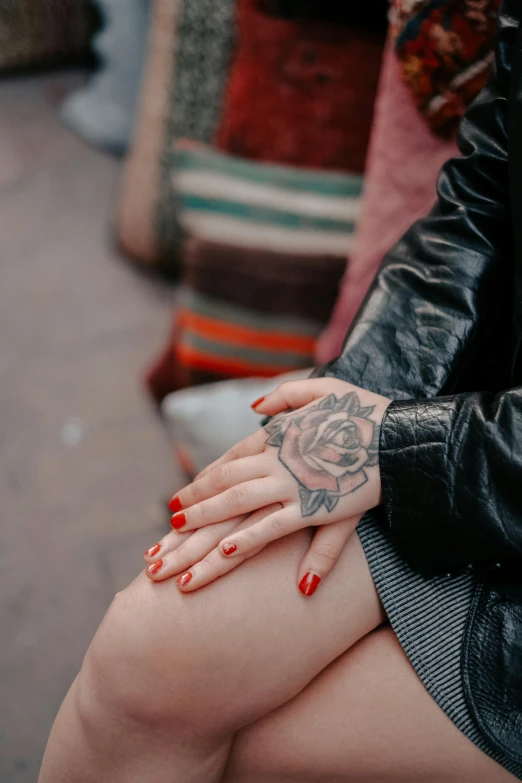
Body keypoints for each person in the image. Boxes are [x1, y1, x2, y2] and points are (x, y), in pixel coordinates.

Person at [39, 2, 522, 781]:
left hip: (478, 460)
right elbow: (483, 196)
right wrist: (351, 413)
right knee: (146, 658)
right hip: (473, 433)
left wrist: (398, 453)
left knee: (272, 749)